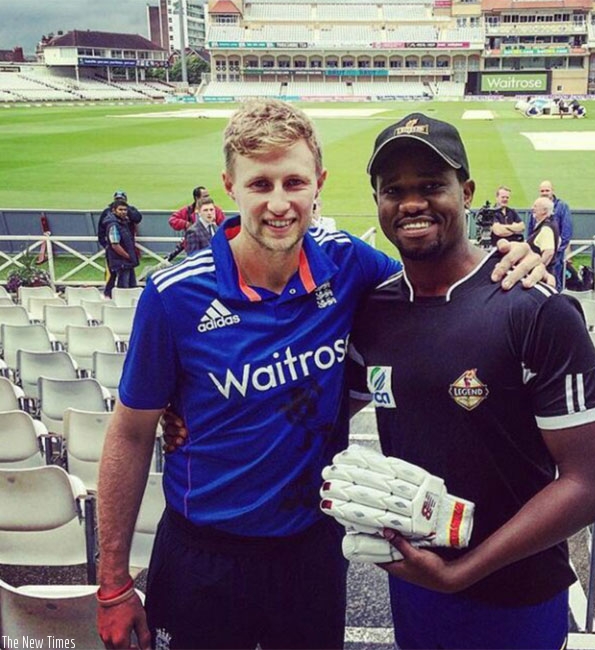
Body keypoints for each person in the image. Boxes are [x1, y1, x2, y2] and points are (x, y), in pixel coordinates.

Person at [96, 99, 547, 649]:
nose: (280, 203)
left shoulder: (352, 264)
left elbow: (437, 282)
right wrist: (113, 585)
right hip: (204, 554)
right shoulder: (173, 296)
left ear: (319, 184)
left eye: (294, 182)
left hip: (313, 548)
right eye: (260, 184)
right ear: (229, 187)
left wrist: (517, 257)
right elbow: (130, 432)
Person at [340, 112, 595, 650]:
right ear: (376, 200)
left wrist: (463, 571)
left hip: (517, 592)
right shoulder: (374, 311)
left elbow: (592, 483)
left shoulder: (535, 309)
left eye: (431, 185)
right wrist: (188, 413)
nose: (412, 202)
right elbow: (315, 410)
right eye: (393, 189)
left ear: (466, 193)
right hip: (416, 581)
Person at [528, 180, 572, 291]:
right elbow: (531, 231)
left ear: (552, 191)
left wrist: (556, 251)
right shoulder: (538, 209)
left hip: (552, 258)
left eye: (547, 190)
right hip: (538, 255)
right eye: (542, 190)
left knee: (553, 284)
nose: (544, 193)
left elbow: (566, 232)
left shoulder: (562, 207)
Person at [99, 190, 142, 297]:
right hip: (121, 256)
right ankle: (110, 297)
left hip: (125, 252)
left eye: (124, 208)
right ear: (114, 209)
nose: (123, 211)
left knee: (130, 283)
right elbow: (114, 243)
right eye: (120, 208)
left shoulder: (124, 217)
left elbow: (137, 218)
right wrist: (127, 256)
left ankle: (111, 296)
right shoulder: (112, 221)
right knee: (122, 284)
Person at [527, 196, 559, 267]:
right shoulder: (551, 223)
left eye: (535, 206)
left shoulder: (546, 228)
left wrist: (537, 268)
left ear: (544, 210)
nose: (532, 208)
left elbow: (549, 252)